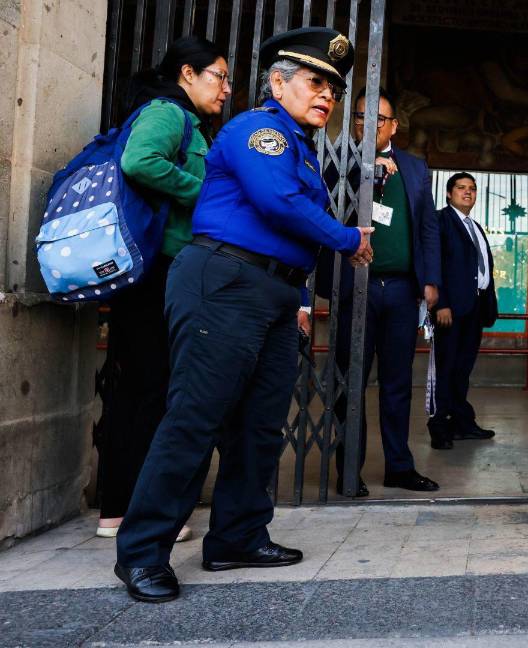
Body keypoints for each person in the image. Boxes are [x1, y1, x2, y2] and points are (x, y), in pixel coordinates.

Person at [114, 27, 373, 603]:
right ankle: (142, 554)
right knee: (194, 419)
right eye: (315, 82)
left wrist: (301, 297)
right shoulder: (261, 131)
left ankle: (236, 536)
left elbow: (288, 226)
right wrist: (346, 236)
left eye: (333, 86)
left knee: (258, 426)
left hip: (274, 293)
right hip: (225, 282)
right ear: (277, 83)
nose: (327, 95)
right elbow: (277, 204)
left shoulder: (299, 147)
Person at [95, 36, 230, 542]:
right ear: (187, 74)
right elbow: (139, 161)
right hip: (158, 270)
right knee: (158, 393)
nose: (226, 88)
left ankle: (117, 510)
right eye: (218, 75)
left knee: (139, 390)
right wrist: (209, 194)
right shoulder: (169, 112)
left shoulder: (180, 117)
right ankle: (145, 513)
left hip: (150, 271)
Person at [325, 87, 442, 496]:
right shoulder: (336, 165)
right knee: (349, 381)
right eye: (360, 117)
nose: (367, 124)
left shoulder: (414, 167)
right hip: (354, 288)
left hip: (401, 291)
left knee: (396, 384)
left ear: (394, 125)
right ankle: (347, 472)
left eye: (378, 118)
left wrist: (430, 280)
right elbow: (324, 211)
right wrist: (362, 168)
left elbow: (428, 226)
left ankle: (399, 466)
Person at [428, 172, 498, 447]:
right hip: (451, 309)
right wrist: (441, 303)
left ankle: (461, 423)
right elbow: (436, 262)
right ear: (448, 193)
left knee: (462, 370)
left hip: (475, 308)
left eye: (472, 188)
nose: (467, 192)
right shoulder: (440, 221)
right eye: (461, 188)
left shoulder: (476, 227)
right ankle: (439, 428)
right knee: (445, 369)